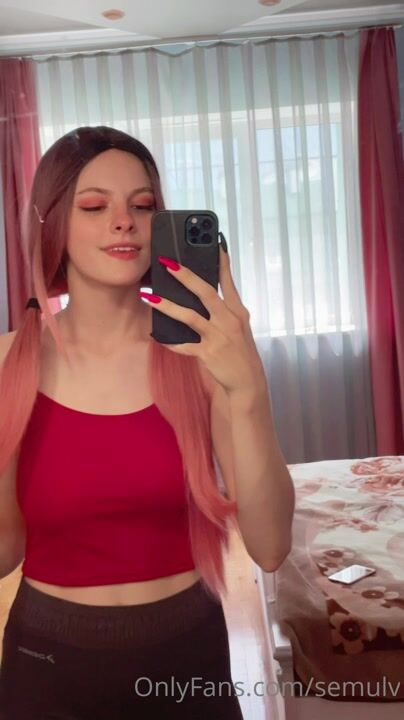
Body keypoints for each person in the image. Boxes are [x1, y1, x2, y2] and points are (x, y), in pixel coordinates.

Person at [0, 126, 295, 719]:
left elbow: (269, 547)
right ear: (52, 224)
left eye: (141, 206)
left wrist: (248, 390)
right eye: (94, 206)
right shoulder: (9, 363)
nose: (123, 222)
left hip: (187, 659)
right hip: (46, 665)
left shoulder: (203, 358)